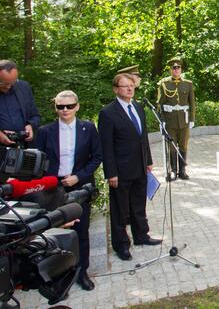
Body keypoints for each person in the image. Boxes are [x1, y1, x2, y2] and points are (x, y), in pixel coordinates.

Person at [35, 90, 102, 291]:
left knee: (81, 230)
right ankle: (56, 275)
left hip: (79, 186)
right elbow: (39, 160)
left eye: (70, 106)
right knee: (54, 231)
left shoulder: (88, 128)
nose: (65, 110)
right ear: (55, 107)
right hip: (53, 188)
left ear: (77, 106)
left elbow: (97, 157)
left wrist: (78, 176)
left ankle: (82, 272)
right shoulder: (46, 131)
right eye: (61, 106)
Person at [99, 73, 161, 261]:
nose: (129, 89)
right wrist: (111, 173)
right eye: (125, 86)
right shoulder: (108, 113)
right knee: (119, 210)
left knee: (138, 205)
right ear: (116, 89)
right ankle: (121, 245)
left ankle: (141, 235)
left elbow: (143, 139)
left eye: (132, 85)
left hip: (140, 167)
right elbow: (106, 146)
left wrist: (148, 161)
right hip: (120, 170)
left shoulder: (138, 108)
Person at [157, 57, 196, 180]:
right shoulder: (164, 84)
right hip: (170, 121)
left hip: (184, 121)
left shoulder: (188, 84)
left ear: (181, 69)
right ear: (170, 70)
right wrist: (162, 120)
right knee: (172, 146)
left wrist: (192, 119)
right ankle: (173, 171)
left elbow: (192, 103)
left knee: (183, 145)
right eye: (174, 68)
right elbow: (160, 104)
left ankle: (182, 170)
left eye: (178, 68)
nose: (176, 70)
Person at [0, 59, 40, 147]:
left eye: (13, 82)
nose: (9, 86)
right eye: (4, 83)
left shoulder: (24, 87)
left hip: (23, 146)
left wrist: (30, 125)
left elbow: (35, 115)